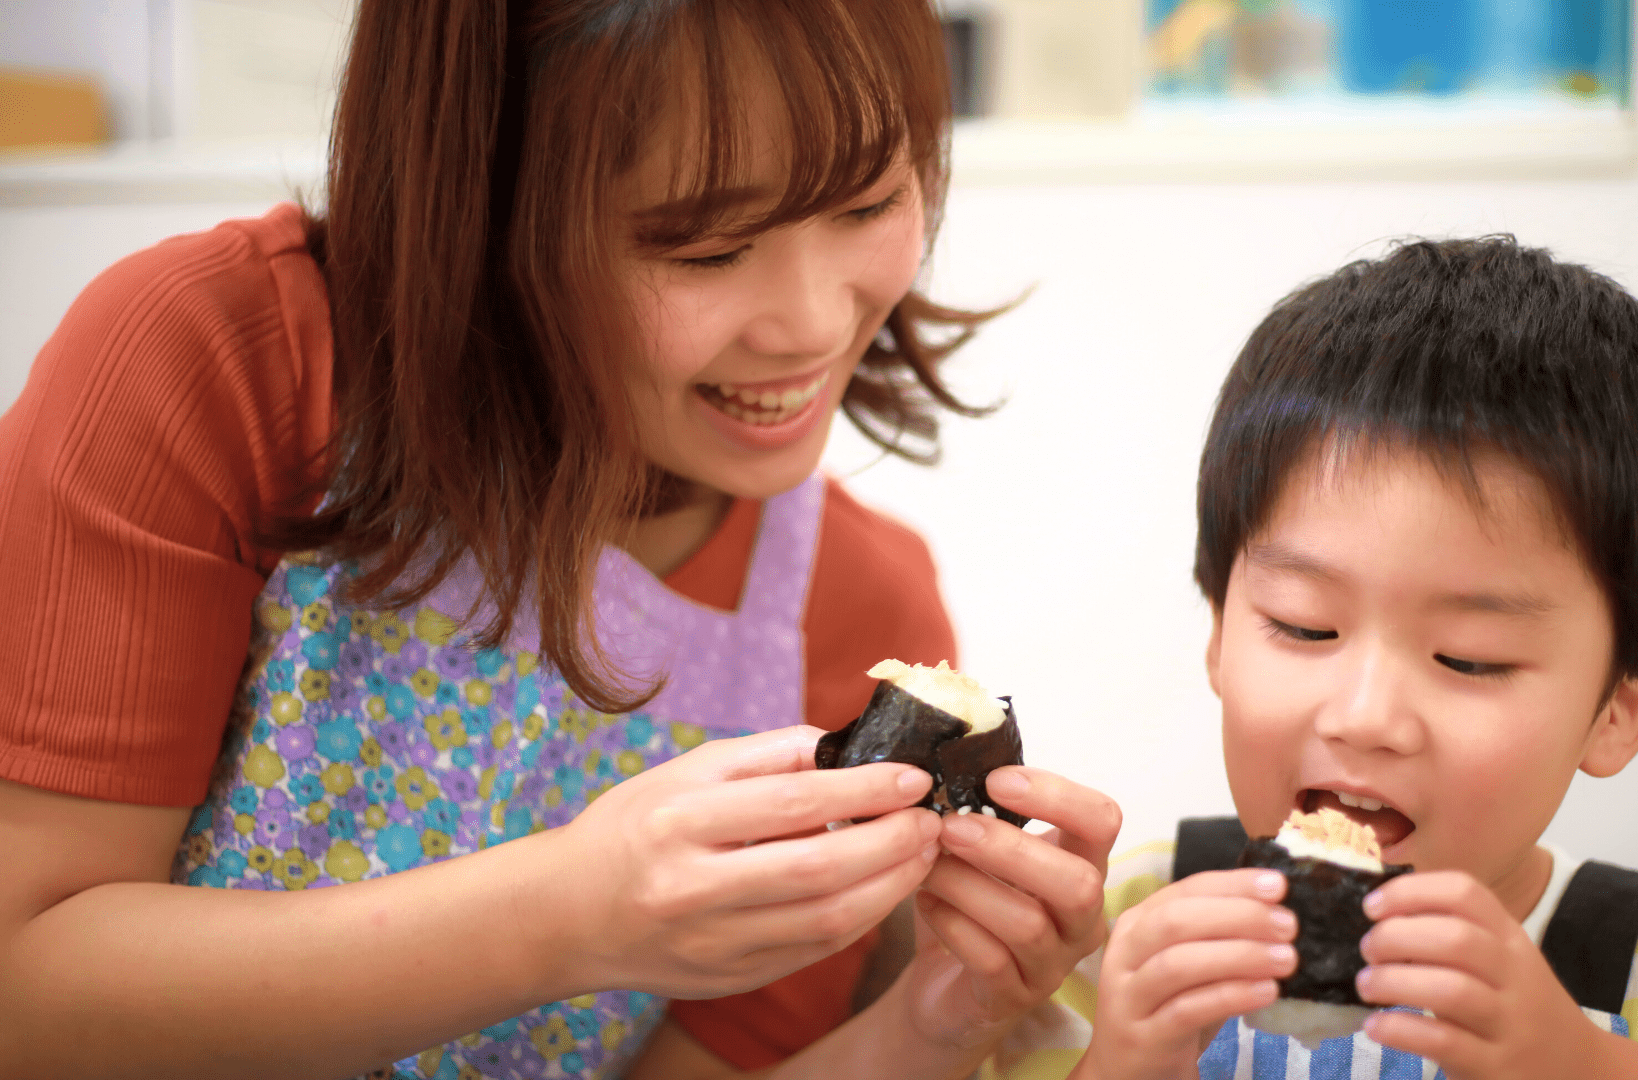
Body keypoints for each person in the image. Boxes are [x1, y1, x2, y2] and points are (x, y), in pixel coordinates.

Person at [0, 1, 1118, 1077]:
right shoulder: (214, 368)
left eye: (869, 204)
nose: (815, 323)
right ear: (478, 199)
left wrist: (938, 1022)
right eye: (707, 249)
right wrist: (566, 919)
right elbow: (25, 996)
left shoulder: (860, 608)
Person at [985, 238, 1638, 1080]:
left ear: (1618, 707)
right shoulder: (1123, 928)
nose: (1365, 715)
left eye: (1469, 658)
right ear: (1220, 632)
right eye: (1305, 627)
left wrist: (1580, 1062)